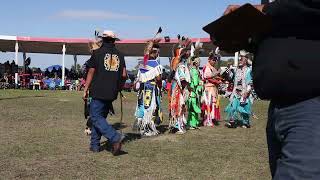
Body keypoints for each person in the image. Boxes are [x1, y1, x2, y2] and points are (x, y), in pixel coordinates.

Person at [223, 1, 320, 178]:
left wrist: (266, 10)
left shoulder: (270, 7)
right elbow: (281, 34)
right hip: (277, 108)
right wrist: (237, 37)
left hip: (310, 103)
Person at [83, 30, 127, 155]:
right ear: (113, 41)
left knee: (95, 117)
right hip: (111, 92)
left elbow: (91, 72)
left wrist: (85, 89)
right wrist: (119, 87)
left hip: (98, 90)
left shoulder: (97, 53)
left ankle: (115, 137)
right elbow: (124, 74)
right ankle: (95, 145)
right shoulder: (121, 55)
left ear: (103, 40)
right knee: (100, 117)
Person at [134, 38, 163, 137]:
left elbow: (139, 77)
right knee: (150, 108)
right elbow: (159, 78)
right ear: (154, 53)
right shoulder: (155, 64)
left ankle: (141, 127)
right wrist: (159, 84)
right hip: (151, 88)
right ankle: (147, 129)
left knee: (142, 106)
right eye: (156, 52)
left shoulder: (143, 63)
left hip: (142, 89)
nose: (157, 54)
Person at [169, 36, 192, 134]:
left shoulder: (183, 65)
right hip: (178, 88)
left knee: (180, 106)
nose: (188, 54)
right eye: (187, 52)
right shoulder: (179, 65)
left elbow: (184, 79)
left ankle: (179, 125)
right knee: (177, 106)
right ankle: (177, 125)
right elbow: (181, 79)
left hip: (179, 89)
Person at [225, 50, 253, 128]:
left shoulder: (248, 70)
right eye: (240, 58)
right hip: (236, 92)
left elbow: (250, 82)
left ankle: (245, 122)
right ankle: (232, 121)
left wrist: (247, 91)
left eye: (242, 59)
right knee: (233, 106)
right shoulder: (236, 69)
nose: (240, 60)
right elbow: (230, 78)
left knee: (244, 108)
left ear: (246, 60)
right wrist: (229, 70)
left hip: (244, 92)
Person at [201, 49, 222, 127]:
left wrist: (218, 79)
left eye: (215, 60)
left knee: (212, 104)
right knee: (208, 103)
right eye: (213, 60)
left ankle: (210, 119)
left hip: (213, 89)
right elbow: (207, 77)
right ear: (209, 60)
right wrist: (216, 79)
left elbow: (214, 77)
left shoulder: (212, 68)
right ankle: (207, 120)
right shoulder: (207, 67)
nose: (214, 61)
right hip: (208, 89)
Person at [186, 41, 203, 129]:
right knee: (192, 108)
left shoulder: (194, 70)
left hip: (194, 91)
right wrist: (199, 84)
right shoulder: (194, 71)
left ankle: (194, 122)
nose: (199, 63)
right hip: (193, 91)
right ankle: (191, 123)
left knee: (193, 108)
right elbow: (195, 82)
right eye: (198, 62)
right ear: (195, 63)